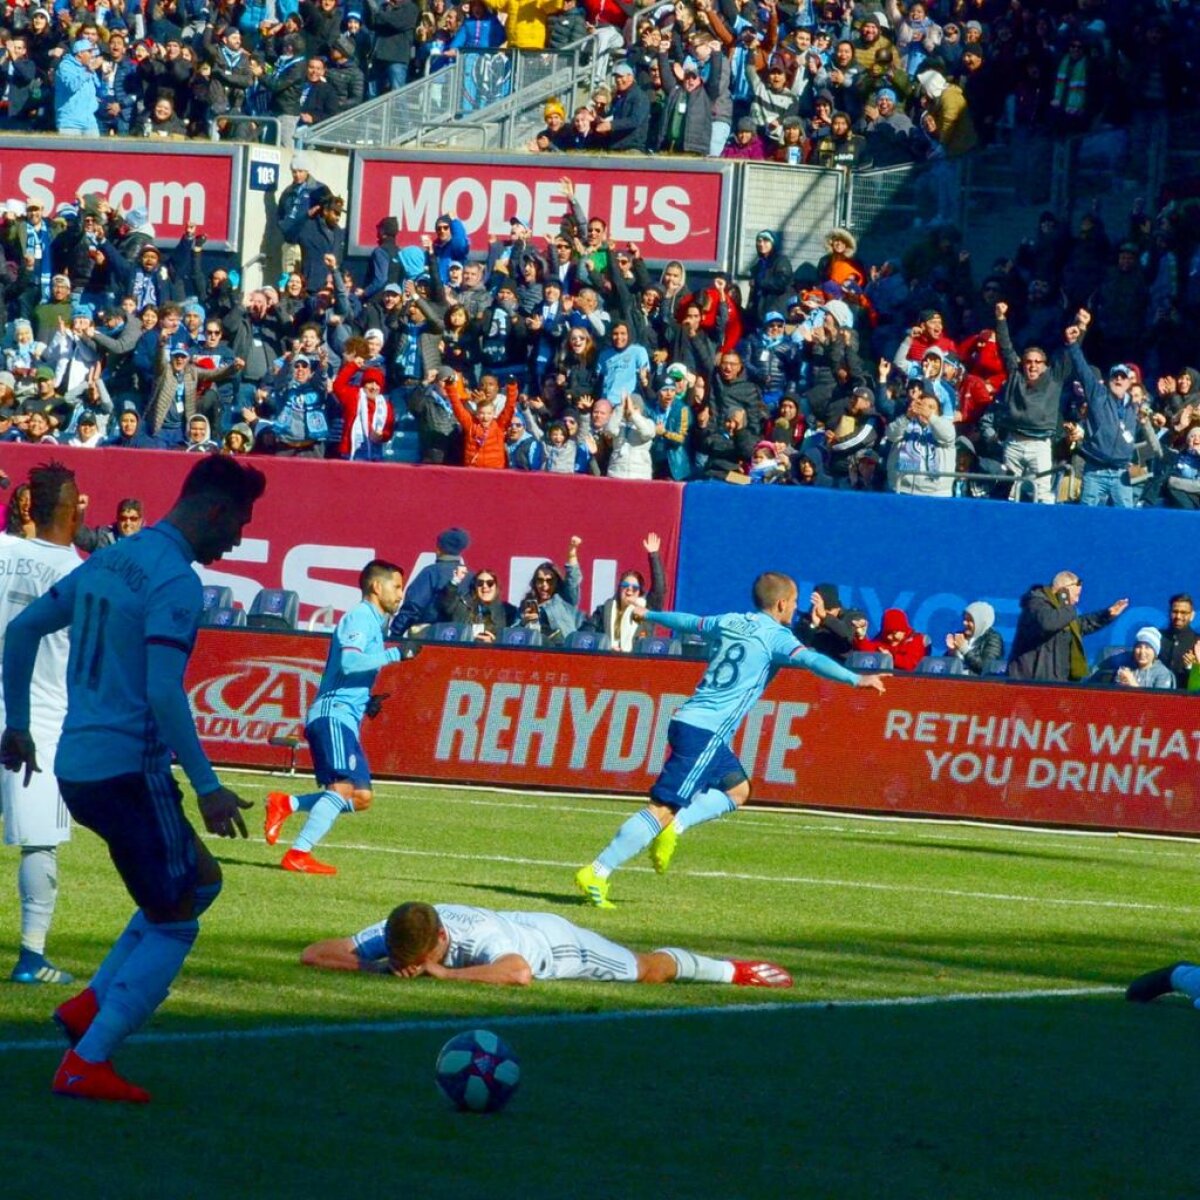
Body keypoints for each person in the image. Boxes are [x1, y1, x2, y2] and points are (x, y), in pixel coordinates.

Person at [0, 455, 265, 1104]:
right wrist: (206, 785)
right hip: (127, 766)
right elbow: (163, 691)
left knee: (197, 881)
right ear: (210, 510)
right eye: (238, 521)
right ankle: (87, 1061)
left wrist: (20, 722)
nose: (238, 537)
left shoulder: (112, 560)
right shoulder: (174, 580)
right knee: (178, 917)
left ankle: (91, 1004)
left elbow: (24, 629)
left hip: (75, 765)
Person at [575, 572, 886, 907]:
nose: (795, 608)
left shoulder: (731, 621)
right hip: (705, 732)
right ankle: (598, 870)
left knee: (738, 789)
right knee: (663, 806)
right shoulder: (776, 638)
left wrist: (648, 613)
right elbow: (812, 660)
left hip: (692, 724)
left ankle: (675, 827)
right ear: (782, 604)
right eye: (794, 602)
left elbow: (688, 622)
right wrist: (857, 679)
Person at [264, 559, 406, 875]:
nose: (400, 595)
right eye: (396, 587)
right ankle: (298, 854)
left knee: (362, 796)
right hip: (333, 715)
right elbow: (350, 663)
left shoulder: (372, 621)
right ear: (376, 586)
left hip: (345, 717)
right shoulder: (360, 617)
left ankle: (286, 804)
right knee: (341, 789)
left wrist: (365, 701)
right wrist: (396, 654)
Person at [300, 900, 793, 988]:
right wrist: (377, 968)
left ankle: (731, 971)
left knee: (646, 970)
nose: (412, 966)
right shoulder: (399, 928)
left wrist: (445, 974)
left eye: (420, 959)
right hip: (517, 926)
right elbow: (314, 954)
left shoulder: (476, 939)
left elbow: (517, 972)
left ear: (442, 941)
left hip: (552, 944)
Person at [0, 463, 81, 985]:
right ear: (67, 507)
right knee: (40, 841)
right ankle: (32, 956)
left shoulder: (3, 552)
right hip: (41, 718)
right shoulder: (81, 571)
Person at [1007, 571, 1128, 683]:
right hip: (1028, 683)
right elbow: (1048, 623)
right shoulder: (1035, 603)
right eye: (1076, 595)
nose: (1077, 600)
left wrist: (1107, 615)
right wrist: (1068, 607)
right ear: (1063, 592)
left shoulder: (1062, 613)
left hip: (1056, 683)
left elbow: (1081, 624)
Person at [944, 601, 1004, 674]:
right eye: (964, 619)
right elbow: (946, 668)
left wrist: (964, 650)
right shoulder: (960, 635)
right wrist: (952, 652)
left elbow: (985, 668)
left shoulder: (993, 639)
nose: (965, 623)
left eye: (970, 620)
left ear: (980, 622)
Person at [1159, 594, 1199, 689]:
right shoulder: (1157, 637)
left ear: (1192, 615)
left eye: (1184, 612)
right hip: (1157, 697)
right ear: (1169, 613)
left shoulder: (1198, 642)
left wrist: (1193, 667)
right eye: (1175, 612)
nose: (1178, 616)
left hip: (1186, 700)